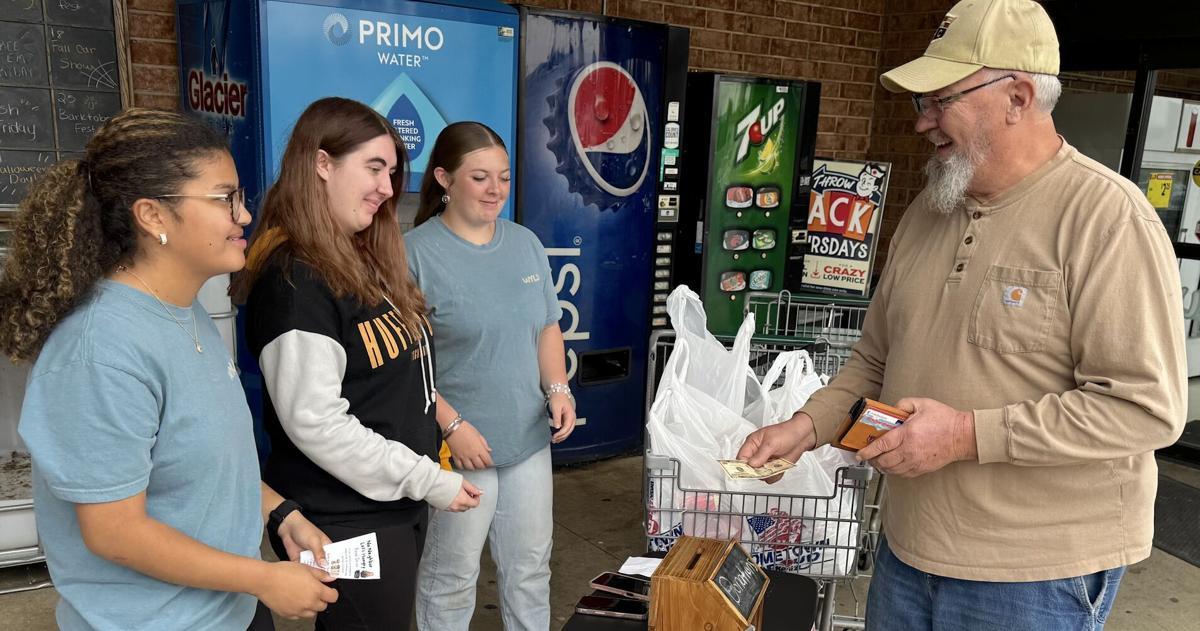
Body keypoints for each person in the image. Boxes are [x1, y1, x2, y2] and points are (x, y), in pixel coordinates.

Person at [738, 1, 1187, 629]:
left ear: (1018, 96)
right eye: (921, 103)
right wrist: (807, 427)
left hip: (1033, 575)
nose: (923, 123)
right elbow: (874, 358)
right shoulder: (929, 209)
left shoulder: (1107, 219)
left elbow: (1145, 409)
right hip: (905, 551)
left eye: (939, 100)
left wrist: (962, 436)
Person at [0, 108, 338, 630]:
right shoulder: (100, 351)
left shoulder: (182, 309)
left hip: (230, 608)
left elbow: (205, 463)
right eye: (224, 199)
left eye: (240, 198)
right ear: (153, 216)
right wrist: (262, 579)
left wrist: (278, 512)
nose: (243, 216)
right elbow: (115, 532)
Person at [232, 97, 481, 630]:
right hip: (343, 520)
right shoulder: (294, 277)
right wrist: (427, 479)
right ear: (322, 164)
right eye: (373, 168)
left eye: (391, 173)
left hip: (391, 507)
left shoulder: (358, 254)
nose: (388, 189)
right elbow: (316, 422)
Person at [407, 121, 577, 631]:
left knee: (530, 569)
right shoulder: (412, 254)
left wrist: (558, 388)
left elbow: (546, 325)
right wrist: (452, 426)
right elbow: (401, 363)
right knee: (451, 577)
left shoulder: (524, 243)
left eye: (502, 177)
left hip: (527, 439)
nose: (495, 190)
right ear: (443, 178)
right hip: (458, 449)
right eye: (479, 177)